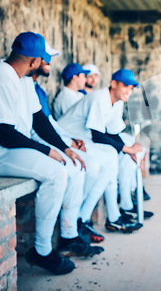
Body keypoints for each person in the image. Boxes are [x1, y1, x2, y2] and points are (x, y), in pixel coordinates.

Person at [0, 32, 102, 275]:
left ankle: (66, 235)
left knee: (68, 165)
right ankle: (42, 251)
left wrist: (64, 148)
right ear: (34, 61)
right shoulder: (3, 76)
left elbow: (39, 121)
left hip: (14, 148)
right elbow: (4, 133)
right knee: (56, 173)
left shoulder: (23, 79)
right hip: (4, 151)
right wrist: (47, 150)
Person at [31, 44, 116, 243]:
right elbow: (37, 128)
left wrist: (68, 141)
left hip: (58, 139)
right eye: (46, 58)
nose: (50, 62)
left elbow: (48, 122)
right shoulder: (56, 94)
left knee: (100, 163)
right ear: (33, 60)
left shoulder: (37, 89)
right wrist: (65, 144)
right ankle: (65, 232)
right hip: (33, 144)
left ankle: (76, 224)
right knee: (83, 166)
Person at [57, 68, 152, 231]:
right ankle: (87, 217)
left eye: (131, 88)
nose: (129, 91)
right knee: (110, 158)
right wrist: (126, 149)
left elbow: (112, 132)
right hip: (66, 137)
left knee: (112, 160)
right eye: (125, 86)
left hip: (84, 140)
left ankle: (92, 217)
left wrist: (127, 150)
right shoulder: (100, 97)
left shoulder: (118, 101)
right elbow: (97, 134)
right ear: (113, 84)